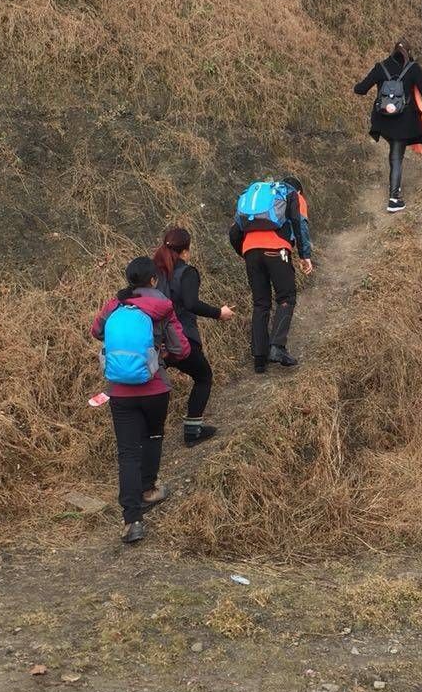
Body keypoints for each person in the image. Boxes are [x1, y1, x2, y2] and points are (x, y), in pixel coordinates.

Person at [91, 257, 190, 545]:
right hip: (155, 389)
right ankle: (148, 489)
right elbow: (180, 349)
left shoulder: (114, 306)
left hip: (119, 391)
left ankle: (132, 520)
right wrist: (161, 355)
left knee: (128, 453)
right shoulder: (162, 308)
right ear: (153, 280)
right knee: (154, 437)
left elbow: (96, 332)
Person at [153, 227, 234, 447]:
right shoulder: (186, 272)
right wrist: (219, 312)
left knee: (150, 382)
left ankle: (147, 435)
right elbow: (191, 303)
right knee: (203, 376)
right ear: (186, 250)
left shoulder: (154, 273)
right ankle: (192, 431)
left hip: (156, 342)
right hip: (181, 339)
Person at [228, 176, 313, 373]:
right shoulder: (293, 195)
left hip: (250, 251)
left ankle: (259, 358)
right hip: (276, 250)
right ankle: (277, 347)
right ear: (299, 191)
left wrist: (246, 252)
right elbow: (300, 224)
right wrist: (304, 255)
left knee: (260, 303)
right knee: (286, 296)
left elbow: (233, 232)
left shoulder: (256, 201)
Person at [353, 42, 422, 212]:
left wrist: (355, 86)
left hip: (383, 122)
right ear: (408, 54)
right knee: (397, 156)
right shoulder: (413, 68)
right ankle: (394, 199)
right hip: (404, 122)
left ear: (392, 53)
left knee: (394, 152)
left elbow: (360, 89)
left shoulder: (380, 67)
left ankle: (395, 193)